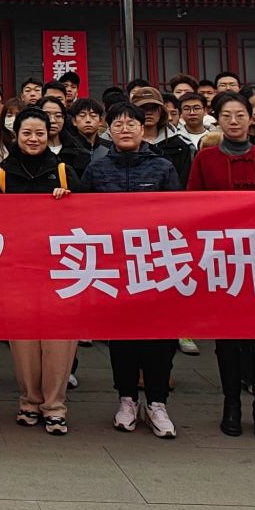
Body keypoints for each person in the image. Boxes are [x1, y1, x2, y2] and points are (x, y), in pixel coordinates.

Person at [188, 92, 255, 441]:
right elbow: (192, 207)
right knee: (229, 341)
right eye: (227, 115)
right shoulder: (205, 159)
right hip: (223, 261)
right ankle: (231, 404)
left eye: (240, 115)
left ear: (252, 118)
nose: (234, 121)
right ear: (217, 120)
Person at [80, 101, 182, 433]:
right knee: (122, 337)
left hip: (156, 264)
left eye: (131, 124)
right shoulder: (97, 170)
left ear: (143, 128)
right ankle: (126, 398)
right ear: (108, 130)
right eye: (118, 124)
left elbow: (180, 216)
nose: (125, 129)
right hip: (115, 267)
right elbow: (81, 217)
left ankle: (157, 402)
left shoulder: (163, 168)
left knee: (160, 337)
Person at [0, 108, 77, 434]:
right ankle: (29, 400)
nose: (33, 139)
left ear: (49, 134)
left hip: (61, 271)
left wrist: (69, 202)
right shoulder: (2, 175)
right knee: (24, 341)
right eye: (27, 133)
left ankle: (55, 406)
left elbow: (88, 220)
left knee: (58, 341)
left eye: (40, 133)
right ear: (16, 135)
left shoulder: (64, 172)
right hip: (18, 270)